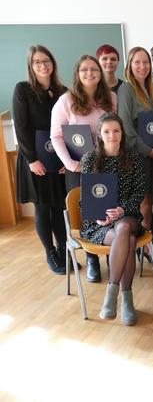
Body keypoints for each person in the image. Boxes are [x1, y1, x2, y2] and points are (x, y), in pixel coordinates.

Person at [51, 55, 117, 282]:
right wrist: (70, 164)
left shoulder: (111, 98)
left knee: (106, 210)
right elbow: (56, 136)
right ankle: (91, 259)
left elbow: (115, 130)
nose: (90, 74)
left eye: (94, 70)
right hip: (78, 167)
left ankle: (111, 257)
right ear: (77, 74)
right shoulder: (65, 101)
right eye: (85, 70)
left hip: (106, 165)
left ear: (100, 73)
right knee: (85, 213)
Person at [80, 113, 146, 326]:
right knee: (128, 239)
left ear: (122, 133)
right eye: (106, 131)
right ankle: (126, 299)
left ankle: (111, 292)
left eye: (116, 130)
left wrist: (122, 209)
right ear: (99, 135)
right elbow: (86, 197)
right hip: (98, 222)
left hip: (128, 215)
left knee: (125, 226)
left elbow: (139, 194)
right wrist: (98, 215)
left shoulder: (134, 158)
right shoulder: (91, 159)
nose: (112, 135)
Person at [13, 45, 68, 274]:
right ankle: (50, 253)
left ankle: (64, 249)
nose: (43, 65)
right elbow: (21, 127)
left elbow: (69, 126)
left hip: (59, 159)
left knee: (59, 206)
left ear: (53, 63)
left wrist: (69, 158)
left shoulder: (63, 91)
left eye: (46, 60)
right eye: (37, 62)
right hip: (34, 160)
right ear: (31, 66)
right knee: (43, 207)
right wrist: (32, 160)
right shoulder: (23, 90)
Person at [117, 46, 153, 271]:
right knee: (144, 202)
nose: (142, 66)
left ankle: (149, 245)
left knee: (152, 202)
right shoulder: (126, 89)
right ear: (129, 65)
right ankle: (147, 248)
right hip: (139, 155)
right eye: (137, 62)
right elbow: (126, 128)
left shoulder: (150, 91)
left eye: (146, 62)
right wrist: (148, 150)